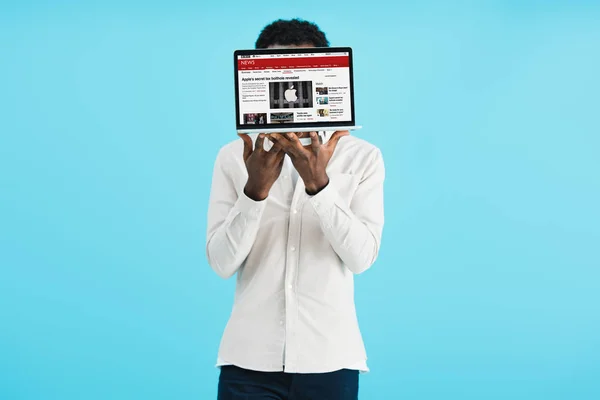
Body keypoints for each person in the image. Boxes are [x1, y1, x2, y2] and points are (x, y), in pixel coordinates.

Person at [206, 18, 385, 400]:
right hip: (248, 362)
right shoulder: (233, 157)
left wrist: (319, 186)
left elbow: (362, 258)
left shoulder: (363, 158)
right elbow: (221, 263)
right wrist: (254, 192)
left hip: (330, 359)